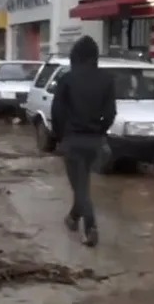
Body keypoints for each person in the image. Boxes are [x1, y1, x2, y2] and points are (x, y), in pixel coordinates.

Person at [50, 35, 116, 247]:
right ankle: (72, 219)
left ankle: (91, 226)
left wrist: (60, 136)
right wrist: (100, 130)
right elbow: (111, 113)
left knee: (79, 188)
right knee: (82, 183)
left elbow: (57, 112)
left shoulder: (67, 79)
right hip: (95, 142)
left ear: (75, 56)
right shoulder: (107, 80)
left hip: (72, 139)